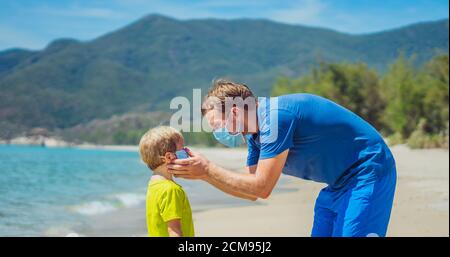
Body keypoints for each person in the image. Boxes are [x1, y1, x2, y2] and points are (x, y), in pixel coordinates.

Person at [167, 79, 397, 237]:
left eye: (218, 126)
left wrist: (206, 169)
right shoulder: (255, 137)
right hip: (337, 185)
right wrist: (201, 174)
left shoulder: (276, 118)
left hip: (368, 171)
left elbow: (262, 187)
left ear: (235, 112)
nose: (219, 134)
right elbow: (251, 192)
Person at [139, 126, 194, 237]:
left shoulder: (154, 185)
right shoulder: (171, 190)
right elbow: (174, 231)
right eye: (183, 150)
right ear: (169, 157)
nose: (187, 153)